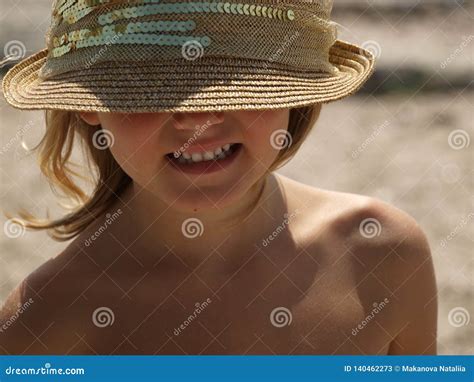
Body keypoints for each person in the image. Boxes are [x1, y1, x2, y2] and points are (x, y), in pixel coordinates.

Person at [0, 0, 437, 355]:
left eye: (237, 81)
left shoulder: (382, 253)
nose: (199, 120)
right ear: (86, 101)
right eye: (150, 86)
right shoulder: (40, 323)